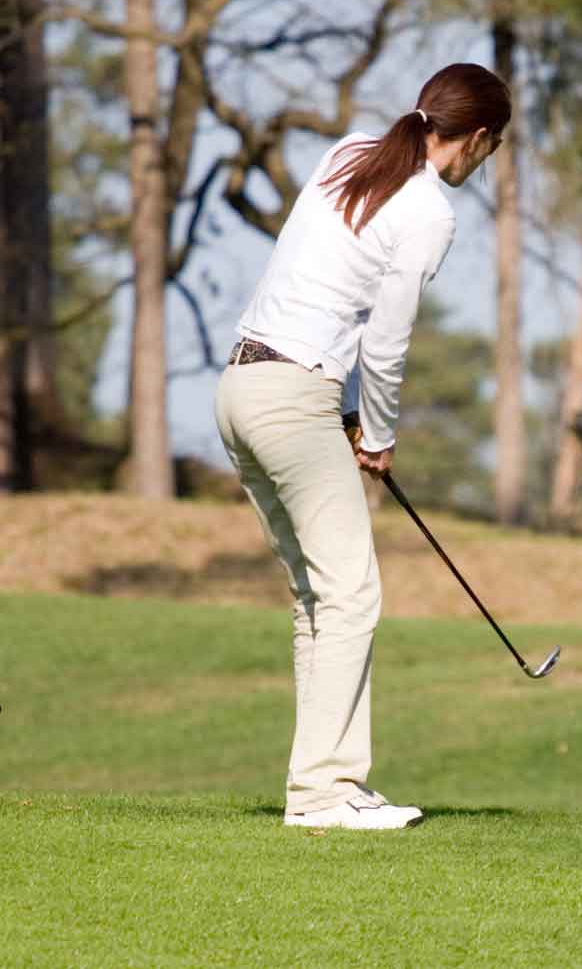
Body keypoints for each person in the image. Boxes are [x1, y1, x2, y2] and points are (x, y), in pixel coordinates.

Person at [215, 63, 510, 830]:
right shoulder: (430, 213)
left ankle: (326, 786)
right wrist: (375, 435)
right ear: (477, 138)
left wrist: (346, 414)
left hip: (241, 387)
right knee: (351, 596)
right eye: (495, 145)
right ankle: (322, 794)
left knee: (319, 597)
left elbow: (320, 284)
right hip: (293, 398)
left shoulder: (348, 151)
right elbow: (384, 342)